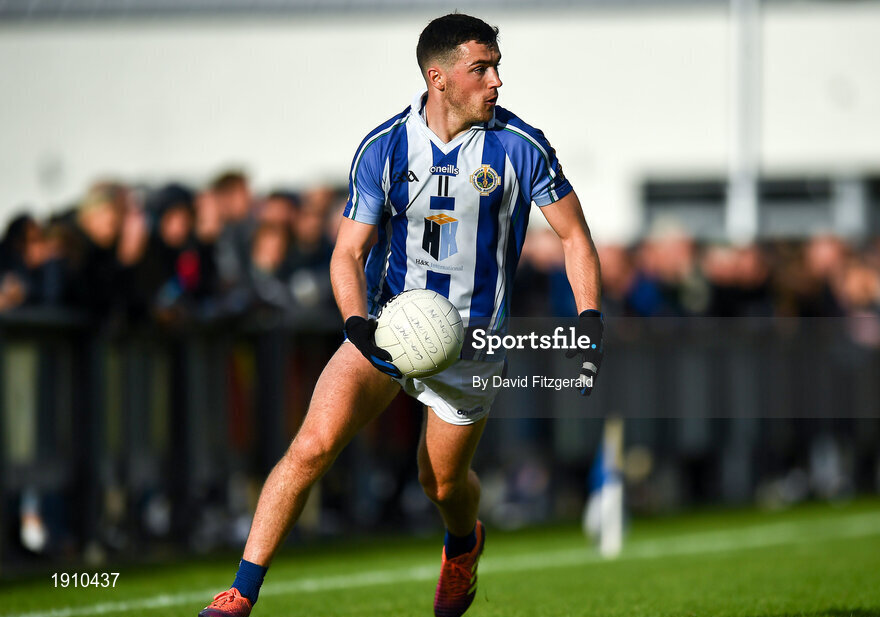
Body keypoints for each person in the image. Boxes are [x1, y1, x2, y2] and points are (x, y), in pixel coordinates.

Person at [198, 13, 603, 617]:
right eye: (481, 69)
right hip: (390, 327)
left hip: (472, 346)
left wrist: (590, 319)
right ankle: (240, 593)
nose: (496, 83)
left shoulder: (522, 145)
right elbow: (347, 253)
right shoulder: (385, 147)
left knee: (438, 484)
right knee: (310, 447)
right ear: (438, 77)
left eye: (497, 68)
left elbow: (574, 238)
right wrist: (358, 324)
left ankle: (463, 546)